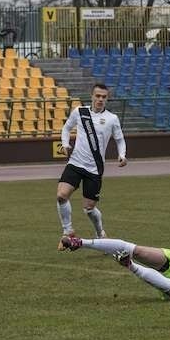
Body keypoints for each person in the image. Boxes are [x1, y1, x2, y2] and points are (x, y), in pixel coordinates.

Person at [56, 83, 127, 240]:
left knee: (89, 208)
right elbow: (66, 128)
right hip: (75, 163)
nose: (100, 99)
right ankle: (68, 231)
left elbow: (120, 140)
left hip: (95, 169)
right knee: (61, 196)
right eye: (98, 96)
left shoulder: (111, 119)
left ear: (107, 99)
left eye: (104, 97)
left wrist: (122, 155)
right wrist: (66, 144)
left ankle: (100, 232)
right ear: (92, 96)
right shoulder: (80, 112)